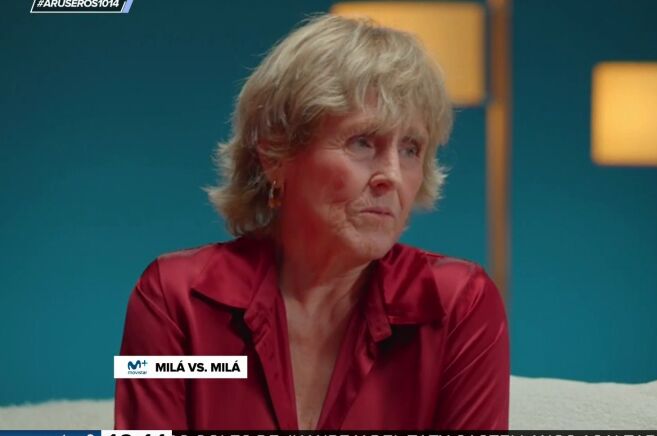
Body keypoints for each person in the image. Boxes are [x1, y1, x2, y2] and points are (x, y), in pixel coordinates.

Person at [114, 14, 509, 430]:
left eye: (411, 149)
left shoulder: (457, 306)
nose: (392, 175)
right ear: (275, 156)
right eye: (363, 142)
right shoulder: (174, 300)